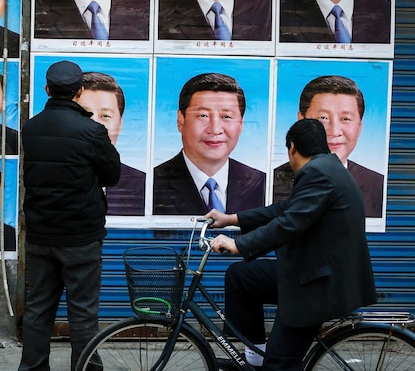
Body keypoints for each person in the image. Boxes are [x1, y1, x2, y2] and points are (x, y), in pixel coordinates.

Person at [207, 118, 376, 371]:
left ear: (293, 148)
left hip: (318, 285)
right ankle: (256, 357)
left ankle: (272, 362)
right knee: (241, 276)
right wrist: (231, 219)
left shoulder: (318, 173)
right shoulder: (327, 168)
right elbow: (285, 209)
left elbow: (288, 223)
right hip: (314, 270)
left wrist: (238, 245)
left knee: (280, 364)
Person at [19, 60, 121, 371]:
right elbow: (112, 176)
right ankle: (86, 367)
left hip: (40, 235)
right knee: (83, 312)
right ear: (78, 93)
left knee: (38, 308)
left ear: (47, 90)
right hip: (81, 239)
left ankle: (33, 367)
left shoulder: (31, 128)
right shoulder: (92, 132)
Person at [153, 73, 265, 215]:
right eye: (203, 116)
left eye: (226, 117)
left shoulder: (261, 184)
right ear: (180, 120)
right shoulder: (151, 184)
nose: (215, 129)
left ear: (241, 124)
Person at [273, 75, 384, 218]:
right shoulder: (271, 180)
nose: (334, 131)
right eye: (323, 118)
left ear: (360, 127)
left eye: (345, 119)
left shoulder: (376, 184)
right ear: (301, 121)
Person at [76, 71, 146, 216]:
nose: (95, 124)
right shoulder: (48, 177)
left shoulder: (143, 184)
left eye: (105, 116)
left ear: (120, 123)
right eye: (84, 114)